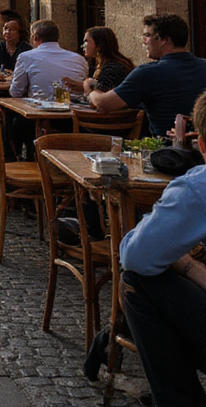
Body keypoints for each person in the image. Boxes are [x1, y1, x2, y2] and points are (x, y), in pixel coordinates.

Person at [118, 90, 206, 405]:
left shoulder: (198, 186)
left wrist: (188, 266)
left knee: (136, 281)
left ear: (201, 145)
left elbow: (135, 255)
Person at [89, 13, 206, 136]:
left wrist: (91, 91)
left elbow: (103, 104)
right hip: (200, 143)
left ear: (163, 40)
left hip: (167, 145)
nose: (144, 42)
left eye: (147, 36)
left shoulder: (148, 73)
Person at [8, 19, 87, 98]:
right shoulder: (80, 59)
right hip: (75, 104)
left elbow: (16, 92)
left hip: (40, 104)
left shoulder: (26, 57)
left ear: (36, 37)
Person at [63, 26, 136, 97]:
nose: (83, 46)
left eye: (86, 41)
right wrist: (81, 86)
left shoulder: (112, 69)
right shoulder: (109, 64)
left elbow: (99, 98)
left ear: (99, 46)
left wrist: (86, 86)